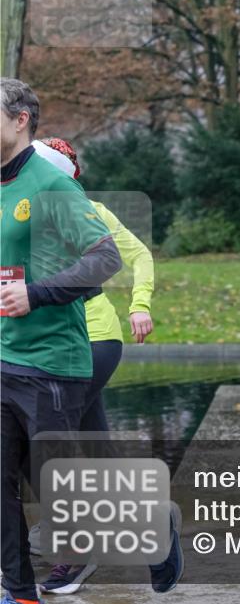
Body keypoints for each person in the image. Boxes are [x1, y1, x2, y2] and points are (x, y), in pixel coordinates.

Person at [26, 137, 181, 595]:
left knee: (38, 438)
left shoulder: (88, 211)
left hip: (92, 340)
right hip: (47, 346)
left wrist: (140, 303)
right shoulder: (16, 212)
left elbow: (139, 254)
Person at [0, 79, 124, 604]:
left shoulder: (51, 185)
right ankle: (18, 591)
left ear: (20, 119)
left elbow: (106, 258)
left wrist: (36, 293)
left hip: (52, 360)